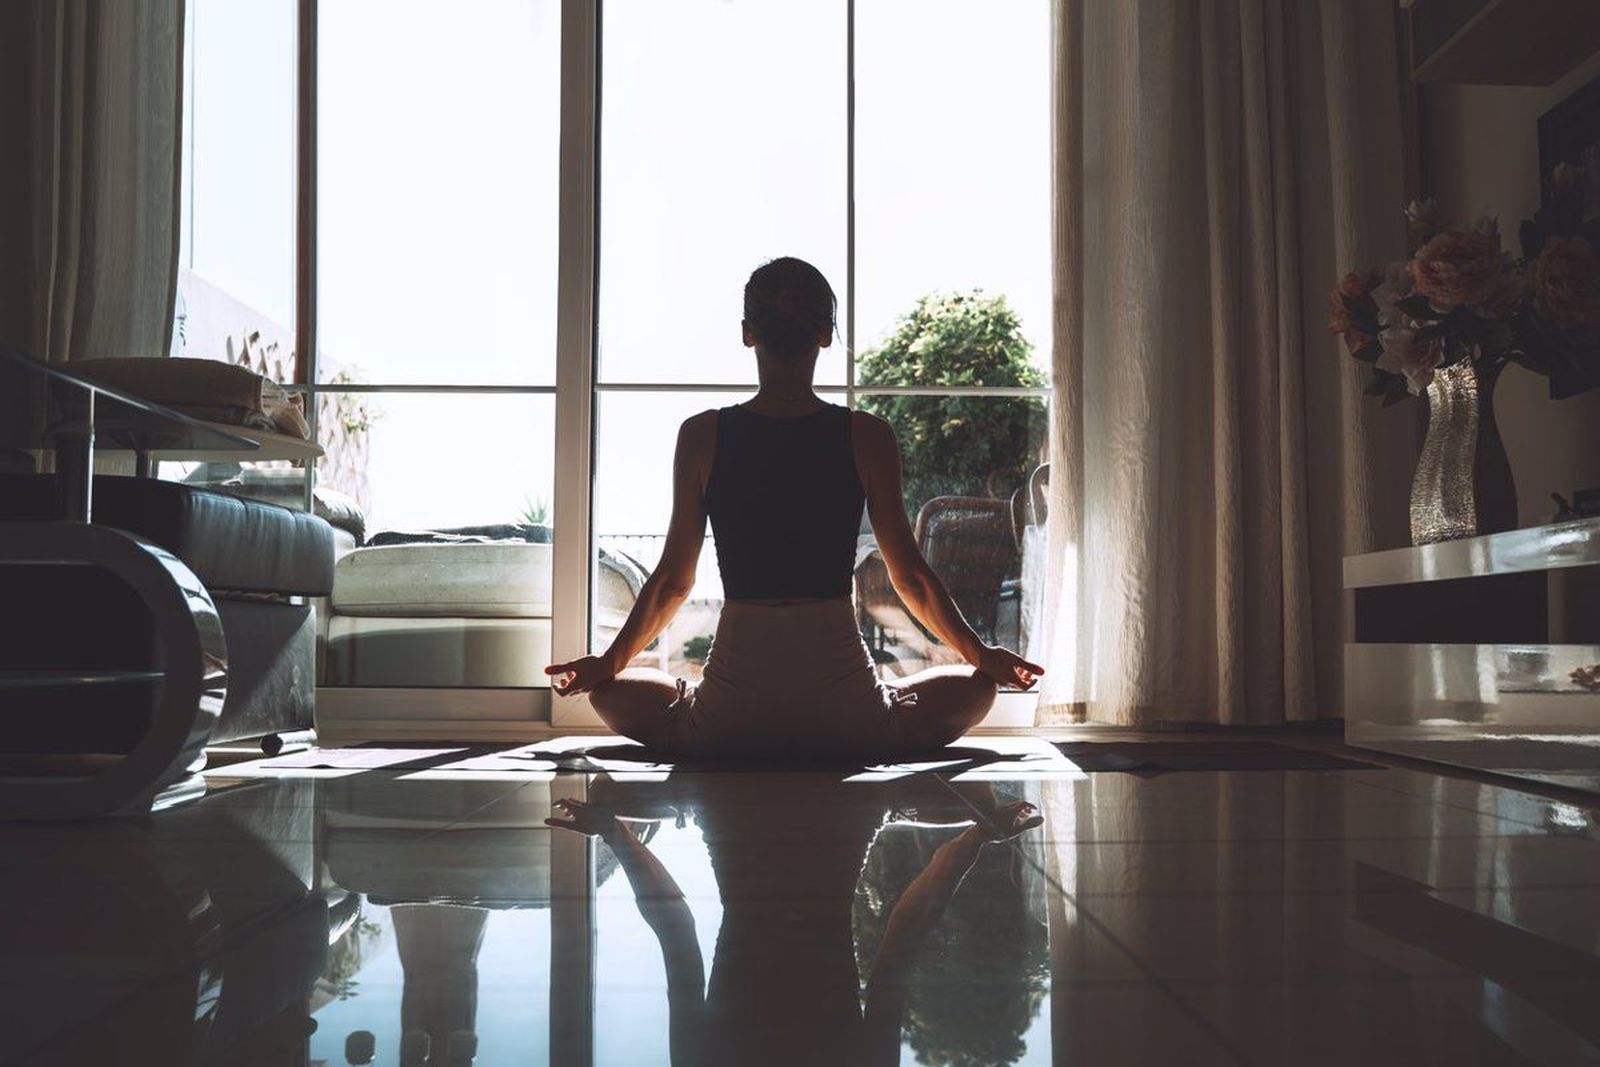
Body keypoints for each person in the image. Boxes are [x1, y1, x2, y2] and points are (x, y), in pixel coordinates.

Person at [546, 256, 1042, 758]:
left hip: (730, 718)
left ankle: (699, 710)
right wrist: (983, 656)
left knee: (610, 693)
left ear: (747, 333)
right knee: (976, 686)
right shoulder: (867, 435)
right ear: (825, 335)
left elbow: (674, 582)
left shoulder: (701, 435)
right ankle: (880, 707)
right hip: (849, 718)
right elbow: (910, 578)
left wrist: (606, 664)